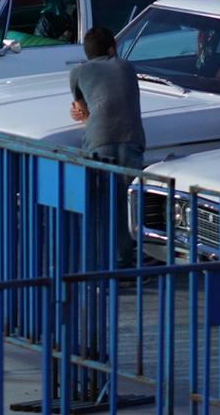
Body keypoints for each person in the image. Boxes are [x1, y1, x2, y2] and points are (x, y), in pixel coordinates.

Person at [68, 26, 145, 266]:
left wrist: (82, 115)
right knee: (126, 204)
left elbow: (83, 111)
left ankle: (100, 260)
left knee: (101, 202)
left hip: (99, 140)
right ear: (112, 48)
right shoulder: (126, 67)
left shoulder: (77, 73)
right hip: (131, 139)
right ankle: (125, 258)